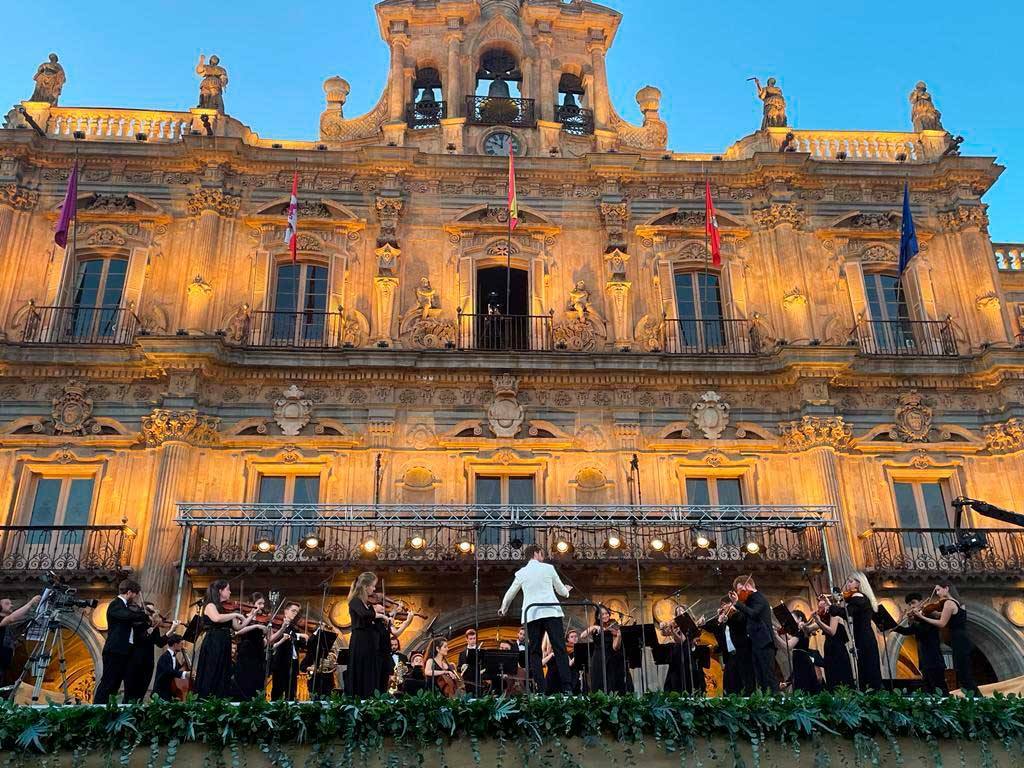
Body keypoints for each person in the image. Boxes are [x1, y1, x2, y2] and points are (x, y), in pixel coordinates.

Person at [498, 545, 573, 695]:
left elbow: (510, 592)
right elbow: (561, 591)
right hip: (551, 611)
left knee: (535, 652)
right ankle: (567, 687)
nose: (543, 557)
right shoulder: (548, 568)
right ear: (536, 553)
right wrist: (566, 591)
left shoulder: (521, 573)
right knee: (560, 649)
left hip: (533, 613)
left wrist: (503, 608)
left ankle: (541, 688)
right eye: (542, 554)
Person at [93, 579, 152, 704]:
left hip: (125, 651)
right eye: (135, 595)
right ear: (129, 592)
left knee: (117, 682)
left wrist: (148, 620)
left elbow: (134, 622)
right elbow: (127, 615)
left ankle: (111, 706)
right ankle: (98, 707)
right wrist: (142, 615)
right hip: (115, 650)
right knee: (109, 681)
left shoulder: (126, 607)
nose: (135, 598)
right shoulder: (116, 604)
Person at [914, 583, 978, 695]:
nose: (937, 593)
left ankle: (976, 699)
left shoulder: (948, 603)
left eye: (938, 590)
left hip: (958, 640)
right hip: (962, 639)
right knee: (964, 672)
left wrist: (921, 617)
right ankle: (974, 697)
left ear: (946, 588)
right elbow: (942, 615)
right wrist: (930, 612)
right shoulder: (958, 603)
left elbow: (942, 623)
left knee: (964, 674)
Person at [193, 580, 244, 699]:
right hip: (213, 641)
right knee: (212, 669)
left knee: (223, 671)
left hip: (224, 642)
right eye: (228, 589)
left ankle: (219, 698)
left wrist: (252, 615)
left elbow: (238, 627)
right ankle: (206, 698)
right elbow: (216, 618)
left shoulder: (227, 609)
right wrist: (235, 614)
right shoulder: (210, 605)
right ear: (220, 591)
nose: (230, 592)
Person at [728, 576, 778, 692]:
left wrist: (738, 604)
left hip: (764, 642)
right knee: (760, 678)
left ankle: (776, 703)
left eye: (740, 589)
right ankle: (765, 704)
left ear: (748, 586)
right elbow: (743, 618)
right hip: (756, 644)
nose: (739, 593)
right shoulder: (749, 601)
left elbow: (754, 613)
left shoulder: (758, 597)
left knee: (768, 676)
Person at [893, 592, 948, 694]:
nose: (912, 606)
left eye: (913, 603)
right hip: (924, 660)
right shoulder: (919, 619)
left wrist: (916, 619)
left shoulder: (930, 615)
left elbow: (922, 630)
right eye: (909, 604)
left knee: (939, 689)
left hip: (934, 659)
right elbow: (909, 631)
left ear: (921, 602)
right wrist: (895, 627)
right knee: (928, 690)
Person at [124, 602, 178, 702]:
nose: (152, 613)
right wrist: (150, 627)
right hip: (134, 662)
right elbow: (142, 637)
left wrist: (171, 630)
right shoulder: (136, 624)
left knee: (141, 692)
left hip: (148, 663)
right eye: (149, 611)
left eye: (153, 611)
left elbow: (160, 643)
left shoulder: (154, 626)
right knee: (130, 693)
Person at [346, 572, 387, 697]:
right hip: (360, 640)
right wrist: (378, 614)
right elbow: (364, 615)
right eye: (373, 586)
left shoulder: (366, 604)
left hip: (369, 640)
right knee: (361, 668)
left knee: (369, 669)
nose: (374, 589)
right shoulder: (355, 601)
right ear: (365, 586)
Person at [842, 574, 882, 690]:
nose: (847, 585)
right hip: (865, 638)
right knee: (869, 669)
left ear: (858, 583)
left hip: (864, 639)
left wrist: (832, 608)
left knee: (866, 670)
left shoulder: (858, 596)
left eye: (850, 582)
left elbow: (846, 612)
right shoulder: (862, 597)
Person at [583, 605, 629, 693]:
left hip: (610, 658)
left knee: (610, 684)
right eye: (602, 614)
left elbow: (615, 647)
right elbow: (582, 635)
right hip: (598, 658)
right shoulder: (595, 628)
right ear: (597, 616)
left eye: (606, 613)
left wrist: (618, 636)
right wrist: (594, 627)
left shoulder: (614, 625)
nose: (605, 616)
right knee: (598, 684)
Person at [811, 597, 855, 690]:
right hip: (829, 649)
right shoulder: (824, 617)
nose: (820, 610)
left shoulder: (834, 614)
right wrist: (804, 626)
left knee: (840, 677)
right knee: (831, 677)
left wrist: (818, 621)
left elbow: (832, 632)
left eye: (821, 607)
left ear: (827, 606)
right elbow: (811, 627)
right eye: (819, 608)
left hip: (838, 650)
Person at [711, 597, 752, 695]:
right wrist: (719, 621)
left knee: (744, 685)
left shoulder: (740, 616)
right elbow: (719, 637)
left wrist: (729, 616)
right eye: (722, 606)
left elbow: (739, 621)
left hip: (743, 656)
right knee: (729, 686)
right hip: (730, 657)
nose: (723, 608)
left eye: (725, 605)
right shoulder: (725, 622)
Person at [233, 593, 269, 700]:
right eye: (259, 603)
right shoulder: (244, 617)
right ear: (251, 604)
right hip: (246, 651)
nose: (262, 606)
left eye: (263, 603)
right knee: (245, 681)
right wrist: (256, 625)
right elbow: (237, 631)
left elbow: (267, 640)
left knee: (257, 682)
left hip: (259, 653)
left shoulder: (263, 619)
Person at [775, 610, 822, 694]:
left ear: (800, 618)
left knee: (803, 686)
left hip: (802, 660)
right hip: (799, 660)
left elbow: (788, 646)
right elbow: (791, 638)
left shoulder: (802, 630)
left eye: (792, 618)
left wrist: (775, 636)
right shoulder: (798, 632)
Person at [269, 602, 307, 701]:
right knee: (277, 692)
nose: (295, 614)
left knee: (291, 693)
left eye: (297, 612)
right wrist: (299, 635)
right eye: (293, 611)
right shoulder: (278, 624)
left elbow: (303, 644)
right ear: (286, 611)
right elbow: (282, 635)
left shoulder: (294, 627)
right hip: (281, 663)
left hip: (293, 664)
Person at [0, 596, 41, 682]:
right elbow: (12, 618)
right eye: (7, 604)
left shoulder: (8, 627)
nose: (11, 605)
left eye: (11, 603)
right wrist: (30, 603)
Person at [152, 634, 189, 700]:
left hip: (169, 691)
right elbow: (169, 671)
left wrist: (186, 658)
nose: (182, 646)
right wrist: (185, 674)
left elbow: (179, 669)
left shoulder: (174, 657)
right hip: (161, 692)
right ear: (175, 644)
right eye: (181, 644)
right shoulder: (165, 657)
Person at [458, 628, 484, 694]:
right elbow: (458, 667)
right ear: (466, 639)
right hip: (467, 683)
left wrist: (482, 670)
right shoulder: (462, 653)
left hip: (478, 682)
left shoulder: (480, 651)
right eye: (471, 639)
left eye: (474, 638)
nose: (473, 640)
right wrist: (462, 667)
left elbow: (485, 665)